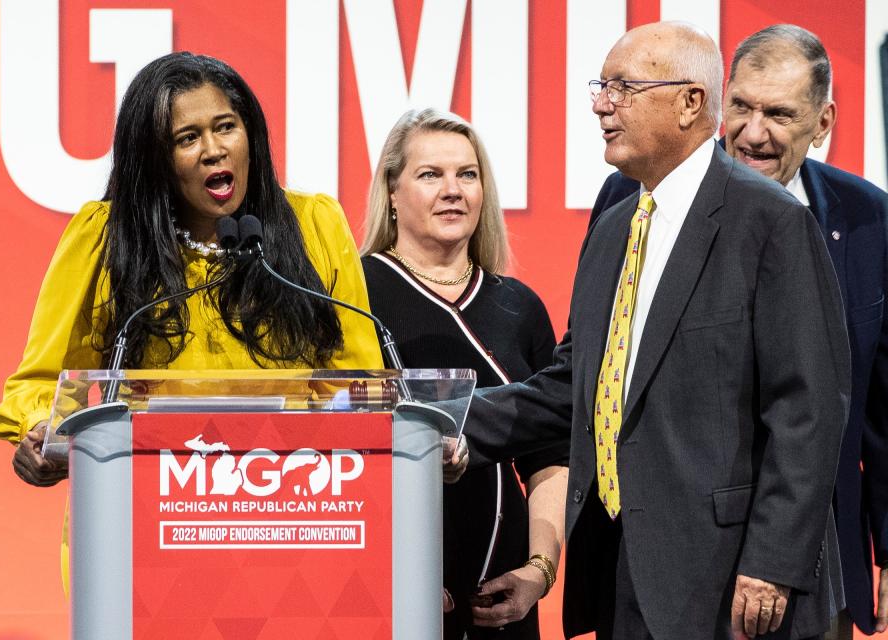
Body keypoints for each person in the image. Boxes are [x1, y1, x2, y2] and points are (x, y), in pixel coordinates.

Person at [461, 21, 850, 639]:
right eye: (600, 86)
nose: (599, 103)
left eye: (623, 88)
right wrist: (442, 422)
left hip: (734, 585)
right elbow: (577, 386)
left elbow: (806, 410)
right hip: (622, 568)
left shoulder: (772, 222)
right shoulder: (615, 226)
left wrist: (772, 565)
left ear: (690, 103)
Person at [589, 24, 888, 637]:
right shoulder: (631, 198)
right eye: (744, 107)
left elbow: (879, 408)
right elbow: (602, 368)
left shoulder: (868, 219)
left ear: (823, 121)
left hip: (806, 564)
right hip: (668, 553)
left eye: (778, 113)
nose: (754, 133)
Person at [0, 52, 383, 505]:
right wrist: (42, 431)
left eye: (225, 127)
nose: (214, 149)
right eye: (188, 138)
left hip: (290, 506)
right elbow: (44, 382)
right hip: (146, 508)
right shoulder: (107, 238)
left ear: (250, 133)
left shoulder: (313, 225)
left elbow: (360, 387)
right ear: (155, 159)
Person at [360, 108, 569, 639]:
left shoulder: (519, 305)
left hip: (505, 596)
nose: (453, 190)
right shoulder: (353, 295)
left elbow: (551, 458)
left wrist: (538, 573)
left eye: (467, 174)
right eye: (430, 174)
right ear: (390, 190)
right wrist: (386, 576)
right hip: (391, 592)